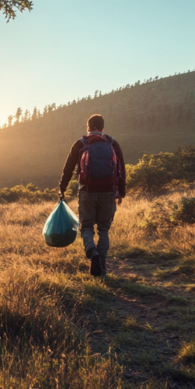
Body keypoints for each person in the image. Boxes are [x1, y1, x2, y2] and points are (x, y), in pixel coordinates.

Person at [58, 114, 126, 276]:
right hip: (108, 192)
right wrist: (121, 192)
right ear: (102, 127)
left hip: (87, 191)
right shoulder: (112, 143)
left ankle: (91, 251)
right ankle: (101, 266)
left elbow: (67, 169)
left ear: (88, 127)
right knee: (104, 229)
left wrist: (62, 188)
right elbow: (122, 170)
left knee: (87, 226)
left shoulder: (80, 143)